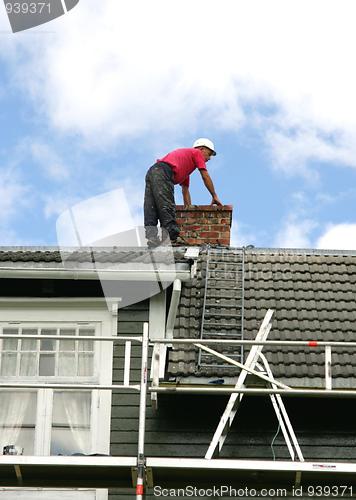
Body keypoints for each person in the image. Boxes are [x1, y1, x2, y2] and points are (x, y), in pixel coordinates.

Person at [144, 138, 223, 246]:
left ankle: (152, 238)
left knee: (151, 206)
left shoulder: (186, 168)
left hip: (152, 172)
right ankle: (171, 237)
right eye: (209, 154)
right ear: (202, 149)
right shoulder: (196, 153)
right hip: (162, 172)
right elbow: (205, 176)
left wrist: (188, 211)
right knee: (166, 205)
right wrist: (214, 195)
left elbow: (185, 191)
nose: (209, 158)